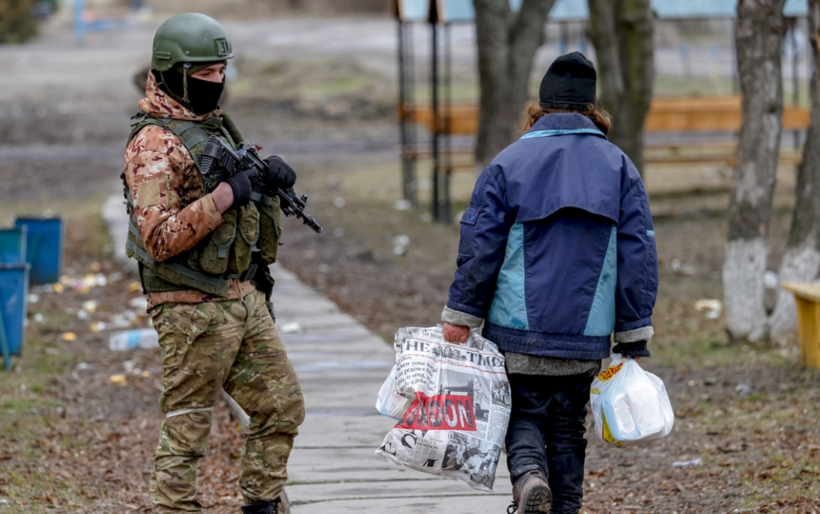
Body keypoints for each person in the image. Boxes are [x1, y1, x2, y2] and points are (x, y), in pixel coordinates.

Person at [440, 52, 658, 514]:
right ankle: (566, 506)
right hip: (585, 336)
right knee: (567, 426)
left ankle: (529, 480)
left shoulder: (509, 162)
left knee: (523, 415)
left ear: (539, 107)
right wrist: (633, 331)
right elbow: (637, 252)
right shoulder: (620, 167)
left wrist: (462, 314)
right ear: (592, 110)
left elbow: (480, 246)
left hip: (516, 330)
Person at [122, 13, 305, 514]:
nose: (217, 83)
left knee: (281, 406)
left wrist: (265, 177)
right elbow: (158, 238)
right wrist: (224, 196)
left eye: (222, 72)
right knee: (188, 425)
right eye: (205, 75)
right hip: (189, 306)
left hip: (241, 296)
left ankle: (261, 504)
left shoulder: (211, 128)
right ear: (175, 74)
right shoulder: (153, 144)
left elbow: (231, 183)